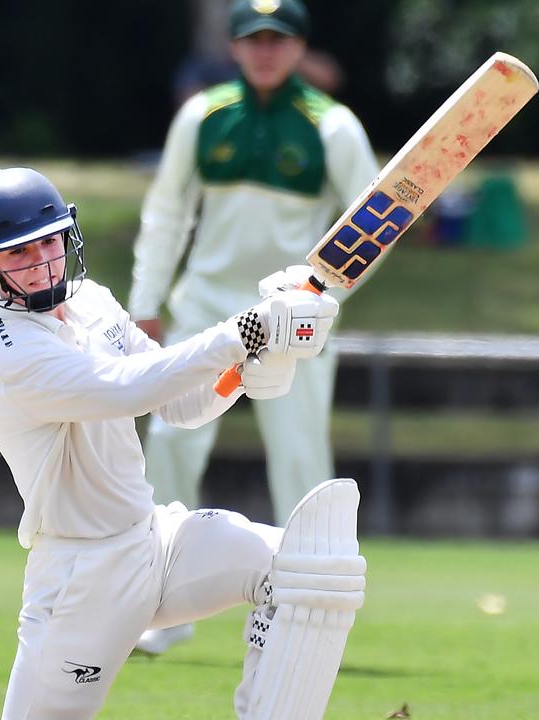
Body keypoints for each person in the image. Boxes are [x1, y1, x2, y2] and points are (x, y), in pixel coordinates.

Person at [0, 166, 365, 720]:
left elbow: (183, 403)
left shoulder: (93, 302)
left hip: (156, 543)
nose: (42, 262)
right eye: (18, 254)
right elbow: (132, 389)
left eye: (48, 242)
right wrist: (248, 331)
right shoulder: (8, 357)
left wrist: (250, 368)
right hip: (82, 578)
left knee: (305, 570)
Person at [128, 0, 381, 656]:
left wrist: (318, 297)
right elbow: (166, 212)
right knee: (170, 448)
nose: (265, 51)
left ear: (299, 47)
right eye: (253, 40)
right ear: (235, 47)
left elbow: (372, 232)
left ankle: (310, 609)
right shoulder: (203, 115)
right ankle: (158, 608)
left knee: (300, 459)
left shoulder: (334, 127)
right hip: (206, 305)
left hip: (292, 313)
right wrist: (147, 299)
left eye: (278, 39)